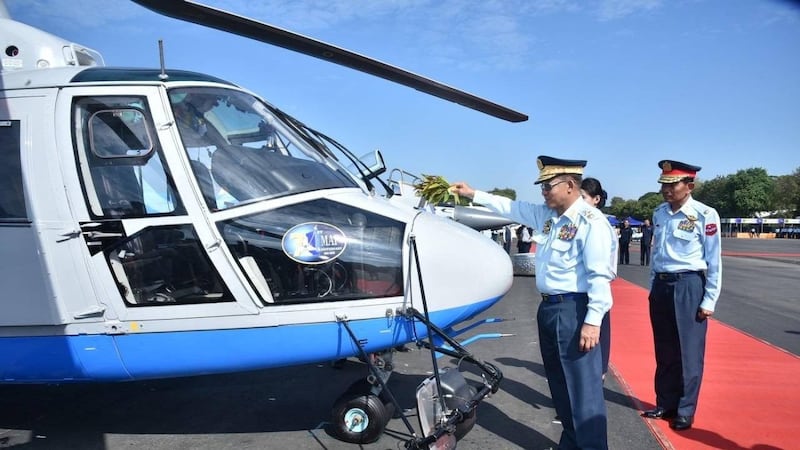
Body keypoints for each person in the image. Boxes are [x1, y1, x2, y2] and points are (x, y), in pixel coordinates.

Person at [451, 156, 616, 449]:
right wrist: (472, 193)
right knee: (561, 386)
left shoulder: (592, 222)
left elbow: (600, 276)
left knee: (583, 392)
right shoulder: (548, 216)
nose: (543, 191)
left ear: (568, 185)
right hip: (550, 308)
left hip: (576, 311)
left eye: (547, 185)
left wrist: (593, 322)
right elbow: (511, 207)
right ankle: (572, 442)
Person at [641, 160, 722, 431]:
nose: (666, 189)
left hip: (689, 285)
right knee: (665, 350)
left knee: (688, 352)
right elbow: (657, 255)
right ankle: (665, 402)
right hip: (662, 286)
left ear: (689, 186)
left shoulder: (705, 214)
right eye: (663, 184)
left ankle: (686, 409)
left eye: (672, 184)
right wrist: (653, 287)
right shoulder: (660, 213)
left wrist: (709, 299)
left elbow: (714, 260)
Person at [581, 177, 616, 382]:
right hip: (578, 290)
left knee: (598, 335)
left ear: (596, 199)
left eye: (583, 197)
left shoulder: (600, 224)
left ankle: (599, 373)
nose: (579, 201)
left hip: (594, 290)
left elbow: (608, 267)